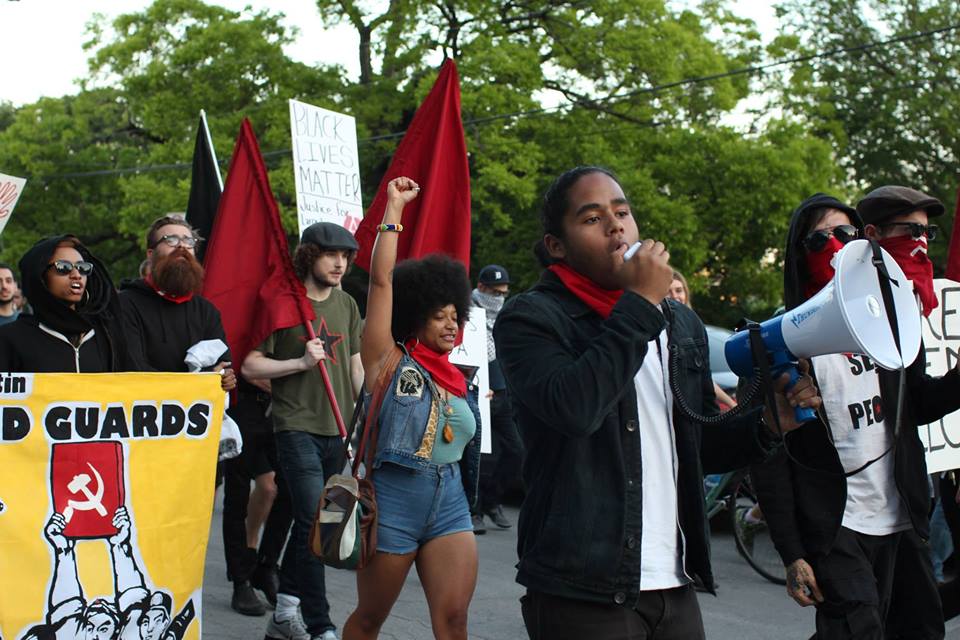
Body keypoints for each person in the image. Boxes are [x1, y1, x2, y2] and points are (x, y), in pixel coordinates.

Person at [493, 166, 818, 640]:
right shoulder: (532, 318)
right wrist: (640, 305)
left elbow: (697, 443)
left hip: (673, 579)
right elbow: (575, 407)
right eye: (592, 218)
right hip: (582, 585)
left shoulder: (679, 323)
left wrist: (768, 423)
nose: (616, 226)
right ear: (556, 246)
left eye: (622, 212)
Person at [751, 190, 959, 640]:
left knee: (921, 628)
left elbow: (915, 407)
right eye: (816, 239)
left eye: (844, 233)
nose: (833, 245)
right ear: (797, 254)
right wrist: (792, 553)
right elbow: (770, 457)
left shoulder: (894, 323)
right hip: (838, 526)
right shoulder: (783, 339)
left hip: (901, 518)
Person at [342, 177, 482, 640]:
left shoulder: (458, 379)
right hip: (393, 501)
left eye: (455, 316)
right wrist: (394, 208)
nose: (450, 324)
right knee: (369, 620)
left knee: (455, 620)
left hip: (451, 501)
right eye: (438, 315)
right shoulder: (387, 360)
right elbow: (382, 281)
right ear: (415, 315)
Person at [242, 222, 364, 640]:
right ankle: (320, 624)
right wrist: (299, 363)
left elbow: (355, 366)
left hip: (340, 430)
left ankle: (285, 610)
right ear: (309, 255)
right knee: (317, 518)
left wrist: (367, 419)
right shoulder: (283, 303)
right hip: (296, 427)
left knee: (321, 524)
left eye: (346, 257)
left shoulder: (347, 303)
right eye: (332, 254)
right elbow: (250, 365)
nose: (341, 263)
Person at [0, 235, 132, 372]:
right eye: (64, 267)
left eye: (83, 268)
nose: (76, 275)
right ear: (40, 277)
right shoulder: (10, 338)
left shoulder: (105, 335)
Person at [470, 264, 523, 533]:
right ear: (481, 288)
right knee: (484, 456)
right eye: (494, 292)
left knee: (517, 451)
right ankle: (475, 510)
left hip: (504, 391)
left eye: (503, 292)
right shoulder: (467, 313)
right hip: (479, 391)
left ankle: (492, 501)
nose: (499, 297)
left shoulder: (506, 316)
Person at [666, 269, 736, 409]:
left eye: (679, 290)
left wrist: (731, 404)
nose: (675, 296)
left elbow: (704, 376)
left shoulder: (694, 327)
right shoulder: (661, 332)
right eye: (668, 292)